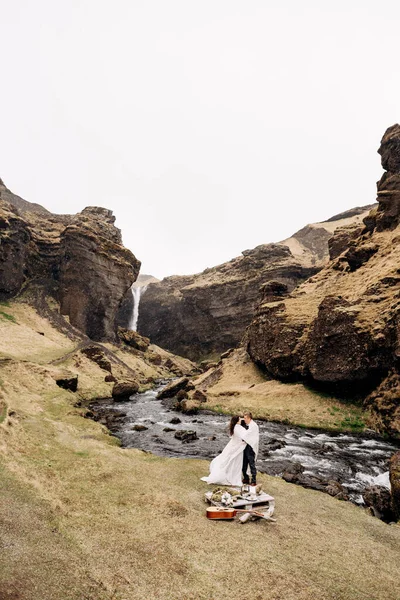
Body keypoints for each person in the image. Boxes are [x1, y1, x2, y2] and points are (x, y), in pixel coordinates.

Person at [201, 415, 247, 487]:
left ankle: (232, 475)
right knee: (234, 461)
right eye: (239, 419)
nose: (241, 419)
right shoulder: (237, 428)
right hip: (237, 446)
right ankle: (231, 477)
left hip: (234, 445)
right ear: (237, 421)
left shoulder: (235, 427)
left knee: (231, 460)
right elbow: (243, 437)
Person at [240, 411, 259, 485]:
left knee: (251, 464)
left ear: (249, 418)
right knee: (244, 463)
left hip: (251, 447)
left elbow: (249, 435)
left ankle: (254, 480)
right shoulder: (248, 424)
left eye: (245, 418)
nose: (244, 419)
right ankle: (246, 478)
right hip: (246, 445)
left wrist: (243, 437)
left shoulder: (254, 426)